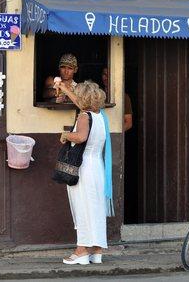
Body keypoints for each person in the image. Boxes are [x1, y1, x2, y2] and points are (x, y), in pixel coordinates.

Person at [55, 80, 114, 265]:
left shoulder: (83, 117)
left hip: (83, 168)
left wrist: (65, 135)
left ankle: (81, 251)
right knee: (95, 209)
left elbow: (80, 137)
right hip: (97, 168)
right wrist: (65, 89)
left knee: (82, 208)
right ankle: (96, 251)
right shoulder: (101, 116)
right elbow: (82, 105)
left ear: (83, 99)